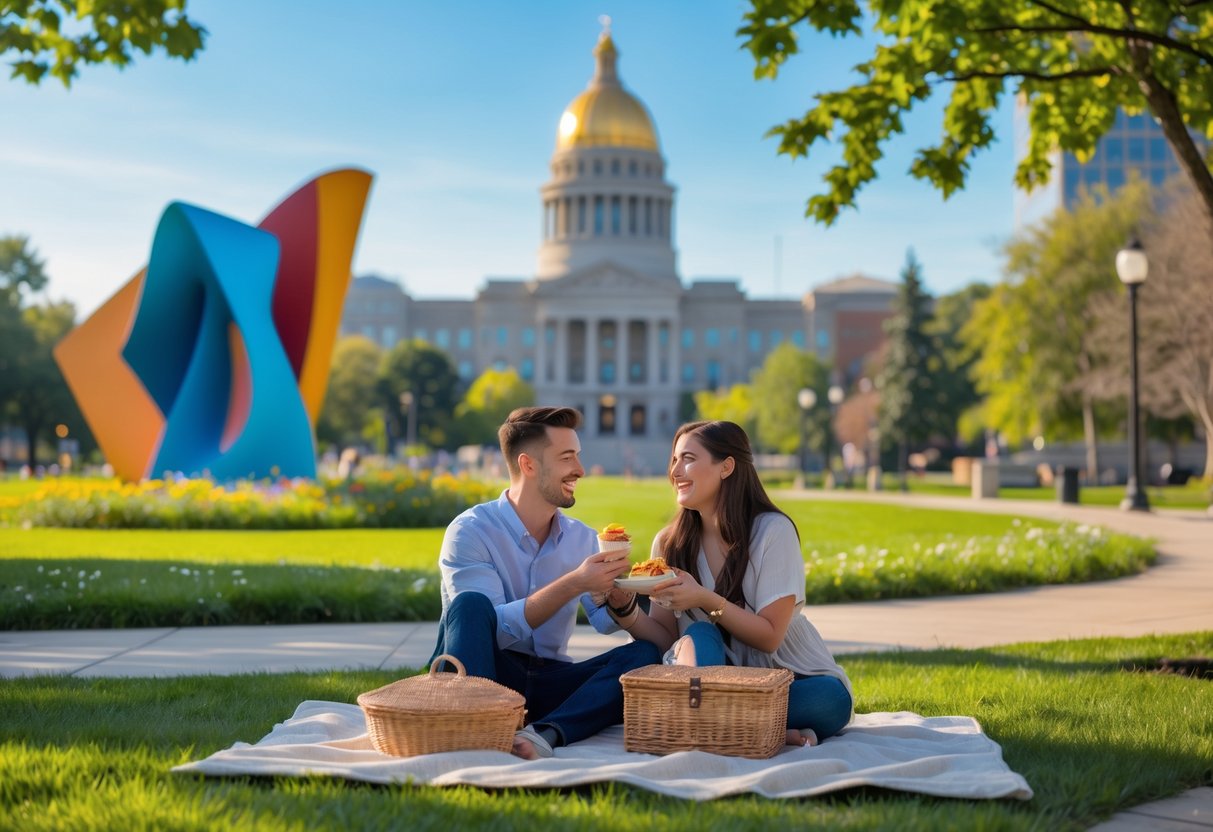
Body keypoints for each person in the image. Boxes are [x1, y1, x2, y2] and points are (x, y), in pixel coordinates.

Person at [428, 406, 660, 759]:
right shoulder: (471, 531)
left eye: (578, 457)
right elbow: (490, 630)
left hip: (551, 682)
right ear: (528, 465)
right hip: (486, 674)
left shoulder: (582, 538)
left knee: (644, 655)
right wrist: (573, 583)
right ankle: (475, 728)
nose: (580, 470)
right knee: (470, 605)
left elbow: (600, 621)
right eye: (567, 458)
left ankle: (545, 733)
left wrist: (619, 597)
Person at [604, 420, 853, 747]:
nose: (675, 471)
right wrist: (625, 610)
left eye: (688, 459)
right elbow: (664, 638)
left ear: (727, 467)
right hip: (708, 670)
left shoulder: (772, 532)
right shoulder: (669, 543)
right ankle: (759, 728)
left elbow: (769, 637)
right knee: (700, 633)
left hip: (784, 675)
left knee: (831, 699)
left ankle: (715, 723)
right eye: (674, 460)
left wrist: (704, 598)